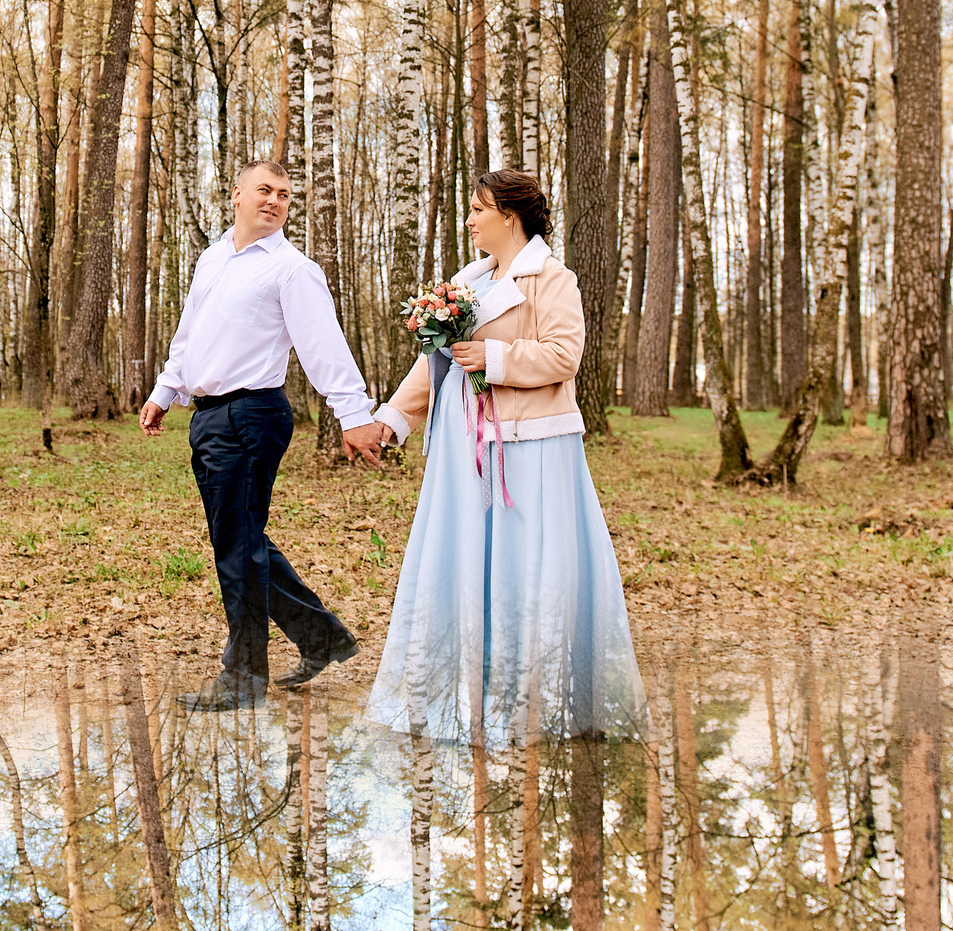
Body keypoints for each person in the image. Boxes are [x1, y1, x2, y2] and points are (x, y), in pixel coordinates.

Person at [359, 169, 647, 742]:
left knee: (524, 559)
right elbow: (436, 363)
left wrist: (496, 358)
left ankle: (531, 697)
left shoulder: (553, 278)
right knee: (467, 553)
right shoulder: (467, 281)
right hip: (462, 444)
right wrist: (393, 419)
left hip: (528, 446)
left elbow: (564, 355)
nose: (469, 219)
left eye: (478, 209)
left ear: (509, 217)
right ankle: (467, 687)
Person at [141, 159, 389, 711]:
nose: (275, 201)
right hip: (209, 417)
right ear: (236, 195)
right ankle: (322, 637)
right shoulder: (212, 259)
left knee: (238, 548)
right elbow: (189, 335)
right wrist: (165, 390)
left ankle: (244, 676)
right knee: (242, 542)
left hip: (252, 415)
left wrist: (353, 415)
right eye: (264, 190)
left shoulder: (291, 269)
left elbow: (323, 345)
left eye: (284, 194)